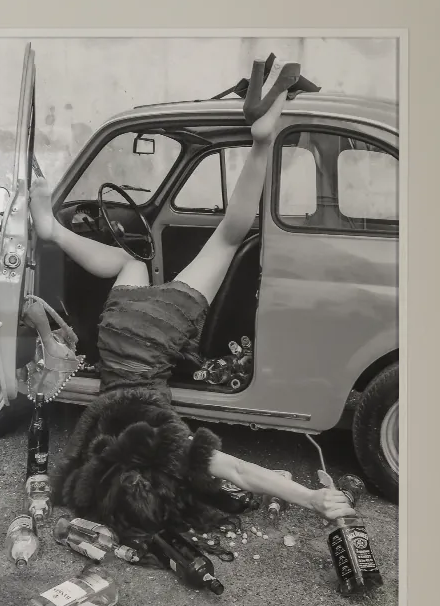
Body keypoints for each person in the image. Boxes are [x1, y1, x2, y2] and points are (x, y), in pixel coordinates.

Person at [31, 57, 356, 544]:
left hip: (155, 337)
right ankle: (53, 229)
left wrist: (311, 498)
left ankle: (263, 139)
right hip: (117, 335)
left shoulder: (171, 446)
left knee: (227, 237)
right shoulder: (96, 458)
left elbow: (240, 472)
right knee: (131, 261)